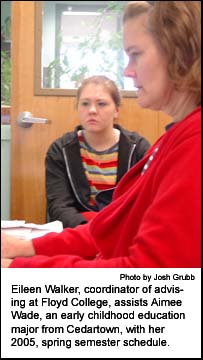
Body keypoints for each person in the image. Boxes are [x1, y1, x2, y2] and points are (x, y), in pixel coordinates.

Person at [1, 1, 201, 268]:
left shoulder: (191, 145)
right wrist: (28, 247)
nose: (127, 70)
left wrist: (17, 269)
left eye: (136, 54)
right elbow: (112, 227)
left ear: (180, 52)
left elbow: (149, 280)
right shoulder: (173, 138)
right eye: (84, 104)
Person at [45, 75, 150, 228]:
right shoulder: (60, 150)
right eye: (85, 104)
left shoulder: (138, 148)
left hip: (122, 231)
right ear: (77, 108)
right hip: (77, 230)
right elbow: (59, 205)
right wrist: (87, 231)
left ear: (116, 110)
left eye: (101, 104)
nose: (92, 110)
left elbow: (145, 202)